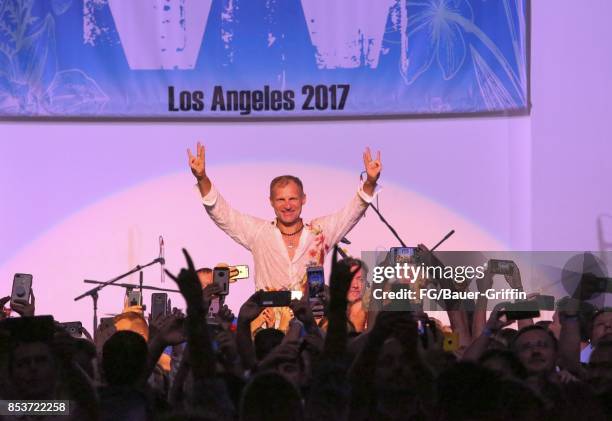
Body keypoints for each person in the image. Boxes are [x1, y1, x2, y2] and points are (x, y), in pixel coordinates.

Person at [187, 142, 382, 291]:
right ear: (271, 201)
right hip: (267, 327)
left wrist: (370, 182)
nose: (287, 205)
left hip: (310, 325)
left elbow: (351, 213)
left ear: (304, 199)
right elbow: (223, 214)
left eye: (292, 199)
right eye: (280, 200)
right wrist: (202, 178)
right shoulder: (259, 232)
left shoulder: (320, 232)